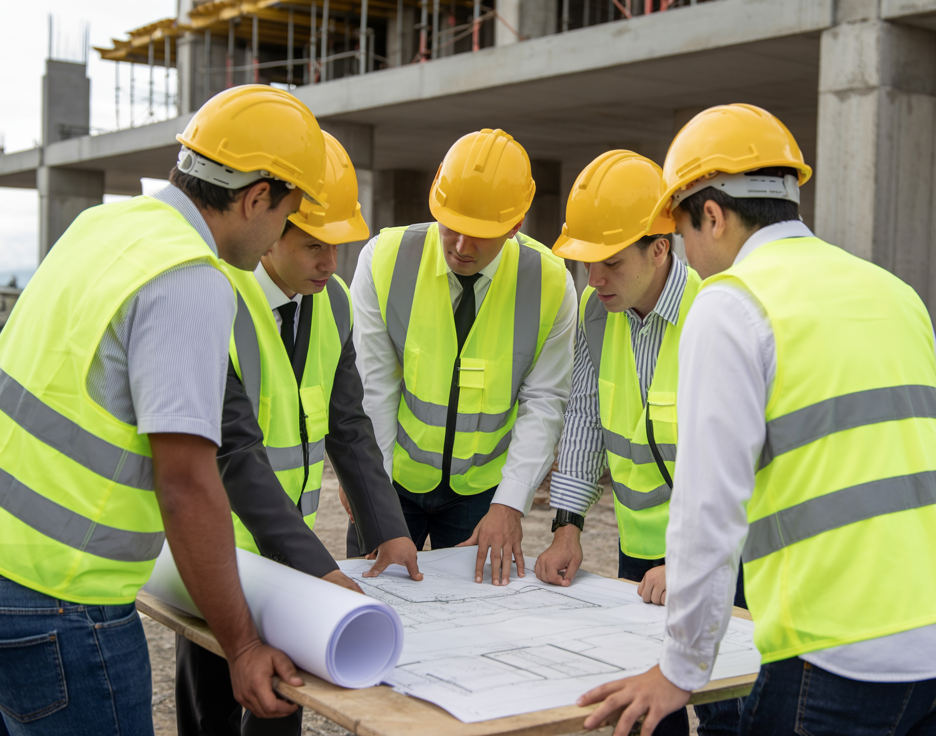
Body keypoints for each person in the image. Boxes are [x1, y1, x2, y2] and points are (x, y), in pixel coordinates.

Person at [580, 104, 936, 736]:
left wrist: (679, 670)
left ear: (712, 215)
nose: (688, 255)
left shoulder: (731, 305)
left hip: (836, 656)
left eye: (685, 232)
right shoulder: (893, 292)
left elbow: (708, 510)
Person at [0, 85, 326, 735]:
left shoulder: (101, 228)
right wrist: (244, 645)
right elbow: (188, 484)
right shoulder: (189, 275)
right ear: (256, 198)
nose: (280, 233)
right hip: (53, 603)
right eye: (287, 216)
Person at [176, 131, 422, 736]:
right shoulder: (216, 297)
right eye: (314, 245)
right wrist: (319, 569)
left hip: (288, 553)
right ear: (269, 233)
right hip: (219, 553)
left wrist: (389, 530)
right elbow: (233, 452)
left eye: (336, 248)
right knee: (212, 710)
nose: (329, 264)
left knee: (281, 707)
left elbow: (349, 427)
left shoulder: (332, 301)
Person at [533, 150, 741, 736]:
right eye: (587, 264)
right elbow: (583, 417)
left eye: (611, 263)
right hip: (639, 553)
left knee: (727, 712)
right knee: (647, 716)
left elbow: (744, 462)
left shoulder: (716, 312)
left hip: (720, 558)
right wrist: (566, 523)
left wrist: (691, 564)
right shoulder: (599, 313)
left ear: (660, 247)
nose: (594, 279)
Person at [351, 128, 576, 584]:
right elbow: (373, 386)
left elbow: (545, 402)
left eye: (481, 235)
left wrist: (510, 503)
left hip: (483, 494)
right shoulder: (384, 259)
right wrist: (371, 495)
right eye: (451, 226)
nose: (461, 247)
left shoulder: (551, 283)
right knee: (377, 609)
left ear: (516, 224)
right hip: (393, 477)